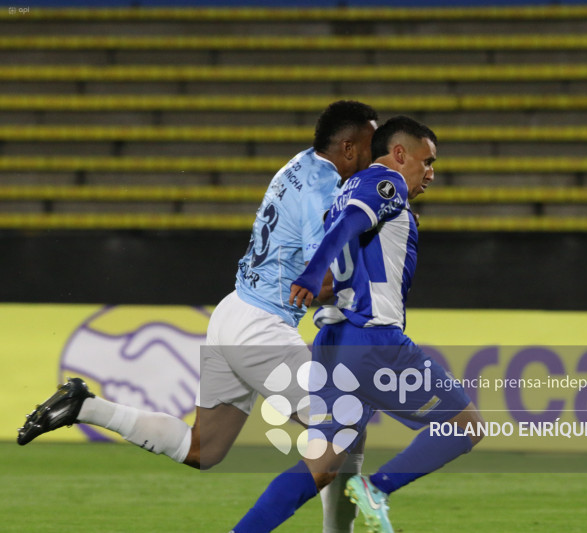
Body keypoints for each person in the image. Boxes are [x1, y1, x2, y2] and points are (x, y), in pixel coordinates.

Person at [17, 100, 379, 533]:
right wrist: (370, 284)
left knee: (202, 449)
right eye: (373, 146)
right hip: (260, 327)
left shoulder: (298, 165)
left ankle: (86, 406)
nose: (377, 157)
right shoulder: (323, 193)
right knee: (343, 426)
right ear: (350, 147)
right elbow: (314, 282)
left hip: (234, 313)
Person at [230, 116, 484, 533]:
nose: (431, 173)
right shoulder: (387, 183)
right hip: (372, 340)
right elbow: (351, 223)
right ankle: (377, 488)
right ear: (400, 154)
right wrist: (313, 273)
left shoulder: (344, 188)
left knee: (322, 464)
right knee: (466, 426)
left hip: (332, 343)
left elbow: (349, 227)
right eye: (427, 160)